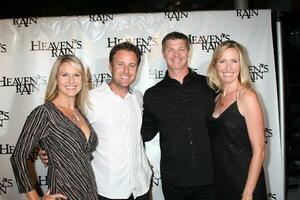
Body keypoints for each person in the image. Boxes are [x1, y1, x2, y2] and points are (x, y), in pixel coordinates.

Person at [40, 42, 152, 200]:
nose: (126, 71)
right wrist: (44, 150)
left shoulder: (138, 98)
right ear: (110, 66)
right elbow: (61, 130)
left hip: (141, 185)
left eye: (132, 65)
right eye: (120, 64)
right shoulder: (90, 100)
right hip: (106, 190)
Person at [10, 55, 98, 200]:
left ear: (82, 79)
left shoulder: (79, 112)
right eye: (65, 75)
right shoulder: (44, 113)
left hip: (89, 192)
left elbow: (78, 153)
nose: (71, 81)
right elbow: (18, 157)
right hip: (64, 194)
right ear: (56, 79)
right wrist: (35, 199)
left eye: (76, 75)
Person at [141, 31, 216, 200]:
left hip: (211, 177)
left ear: (188, 52)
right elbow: (142, 134)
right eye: (170, 50)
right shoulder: (152, 95)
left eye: (181, 49)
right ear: (163, 53)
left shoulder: (210, 86)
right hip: (174, 181)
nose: (176, 55)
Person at [206, 40, 266, 200]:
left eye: (234, 61)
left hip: (245, 182)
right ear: (215, 65)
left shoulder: (247, 96)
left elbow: (259, 151)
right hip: (221, 180)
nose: (228, 67)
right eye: (222, 61)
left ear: (241, 66)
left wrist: (247, 193)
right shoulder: (216, 98)